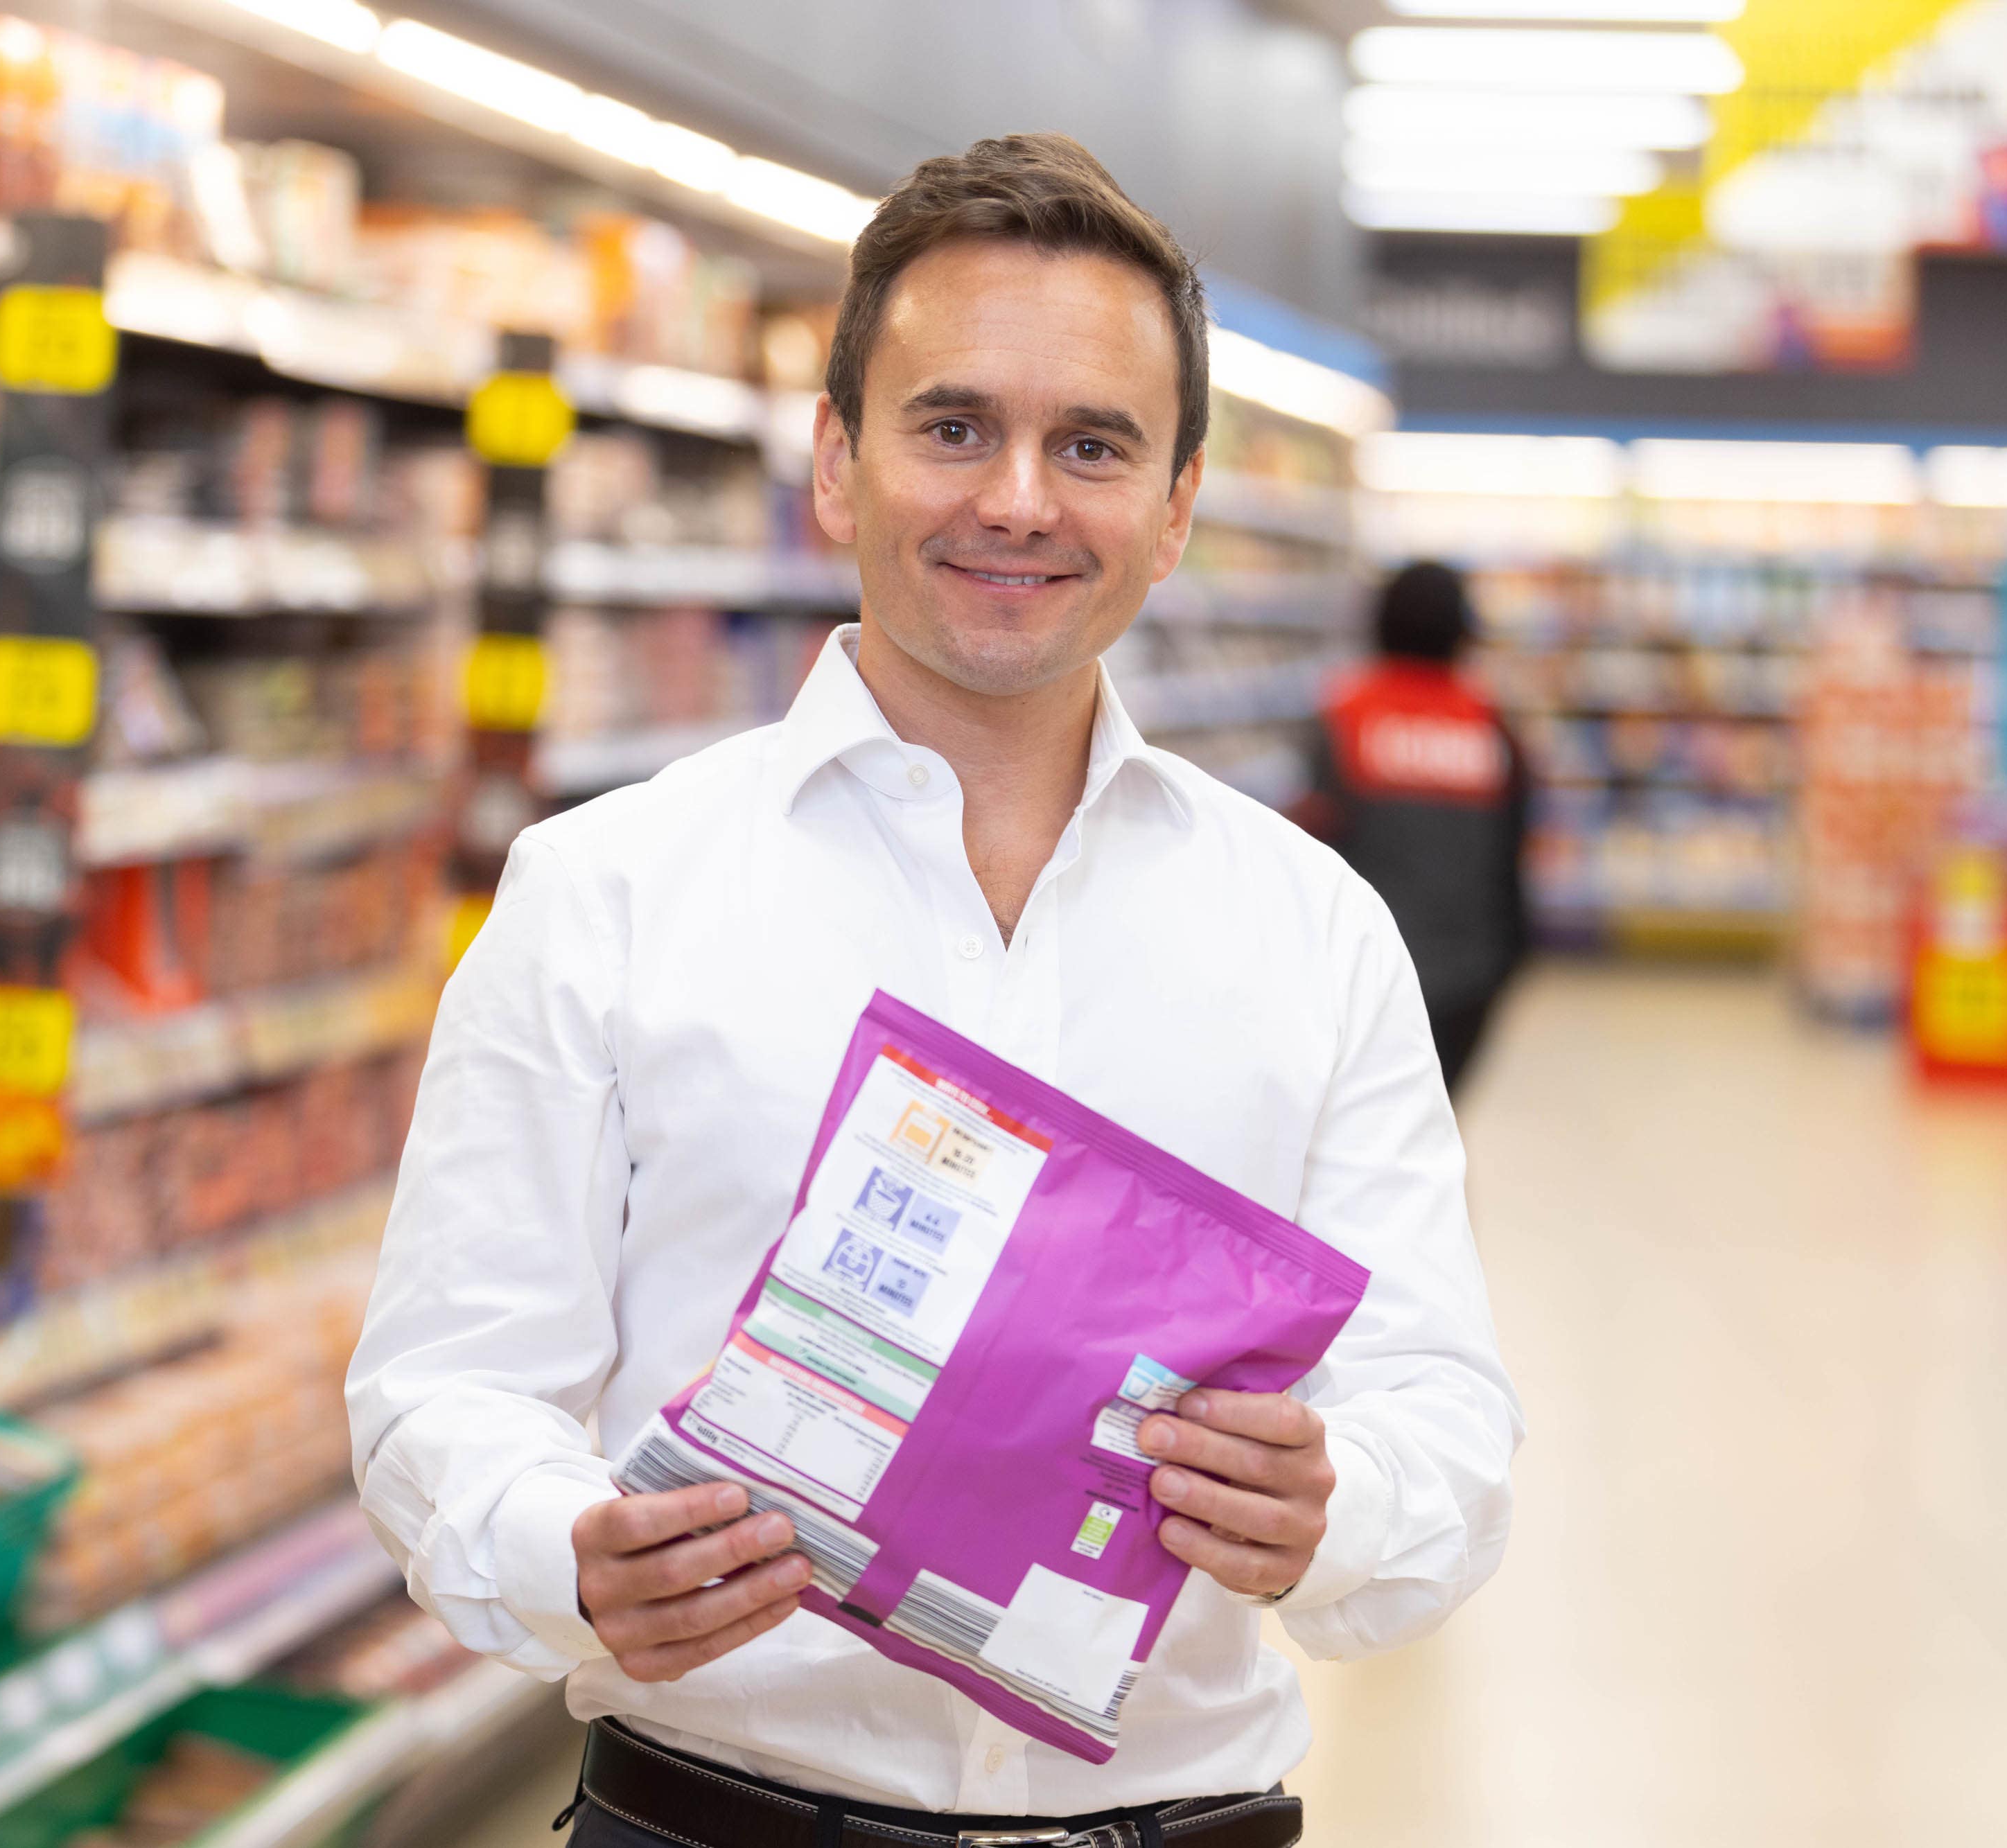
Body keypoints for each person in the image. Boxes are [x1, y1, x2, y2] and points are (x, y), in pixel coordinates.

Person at [348, 134, 1520, 1848]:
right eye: (952, 426)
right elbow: (444, 1384)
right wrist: (562, 1553)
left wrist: (1335, 1508)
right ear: (835, 463)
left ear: (1178, 505)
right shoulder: (605, 890)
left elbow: (1445, 1421)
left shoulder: (1312, 932)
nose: (1020, 499)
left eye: (1094, 445)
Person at [1297, 563, 1531, 1091]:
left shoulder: (1345, 716)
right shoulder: (1491, 724)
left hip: (1358, 976)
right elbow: (1512, 857)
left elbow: (1310, 846)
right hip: (1468, 977)